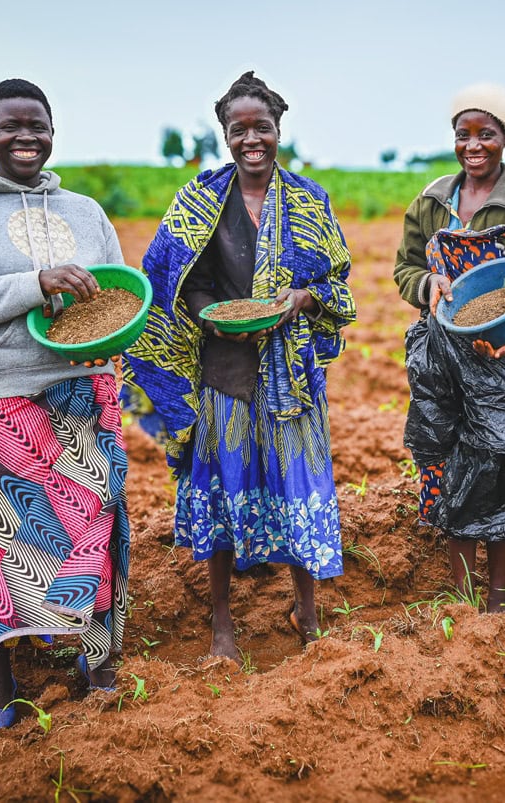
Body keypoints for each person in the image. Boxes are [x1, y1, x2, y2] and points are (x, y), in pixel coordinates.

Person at [124, 72, 356, 661]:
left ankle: (305, 610)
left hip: (290, 374)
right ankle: (223, 623)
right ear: (225, 136)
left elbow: (335, 280)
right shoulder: (199, 200)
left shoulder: (308, 200)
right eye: (239, 130)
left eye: (263, 128)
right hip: (222, 370)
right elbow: (175, 282)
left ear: (279, 130)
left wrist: (300, 300)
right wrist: (214, 317)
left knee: (297, 486)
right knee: (224, 491)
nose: (252, 139)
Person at [0, 78, 130, 727]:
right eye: (11, 125)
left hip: (79, 398)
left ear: (51, 132)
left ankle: (95, 658)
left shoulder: (85, 210)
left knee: (93, 528)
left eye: (36, 125)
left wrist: (107, 339)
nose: (25, 137)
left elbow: (116, 294)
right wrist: (32, 283)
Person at [393, 84, 505, 612]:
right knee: (452, 462)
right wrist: (428, 286)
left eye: (486, 134)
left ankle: (499, 596)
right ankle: (464, 598)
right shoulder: (433, 199)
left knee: (503, 464)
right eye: (463, 134)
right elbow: (405, 267)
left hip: (504, 359)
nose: (473, 145)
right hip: (443, 355)